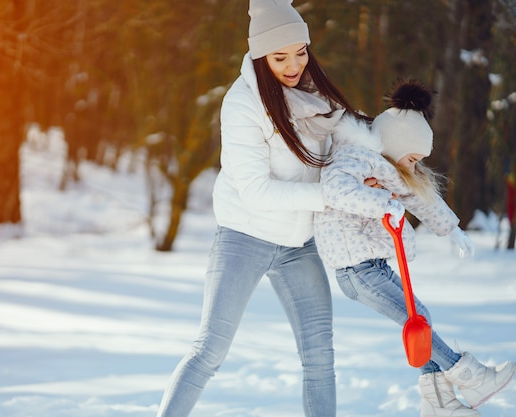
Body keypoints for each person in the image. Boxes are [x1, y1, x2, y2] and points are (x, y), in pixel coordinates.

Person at [155, 1, 369, 416]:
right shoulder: (242, 105)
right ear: (259, 54)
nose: (293, 65)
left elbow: (351, 139)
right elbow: (256, 192)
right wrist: (331, 196)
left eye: (301, 52)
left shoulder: (314, 95)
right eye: (280, 56)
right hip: (244, 237)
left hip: (298, 244)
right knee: (210, 351)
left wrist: (381, 162)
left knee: (320, 358)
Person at [313, 79, 516, 417]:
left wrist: (451, 229)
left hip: (373, 266)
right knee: (415, 323)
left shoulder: (386, 165)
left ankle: (438, 402)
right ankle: (469, 375)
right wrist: (380, 202)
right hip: (355, 269)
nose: (412, 166)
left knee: (421, 319)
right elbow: (335, 191)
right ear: (395, 143)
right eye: (411, 158)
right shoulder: (354, 158)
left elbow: (421, 197)